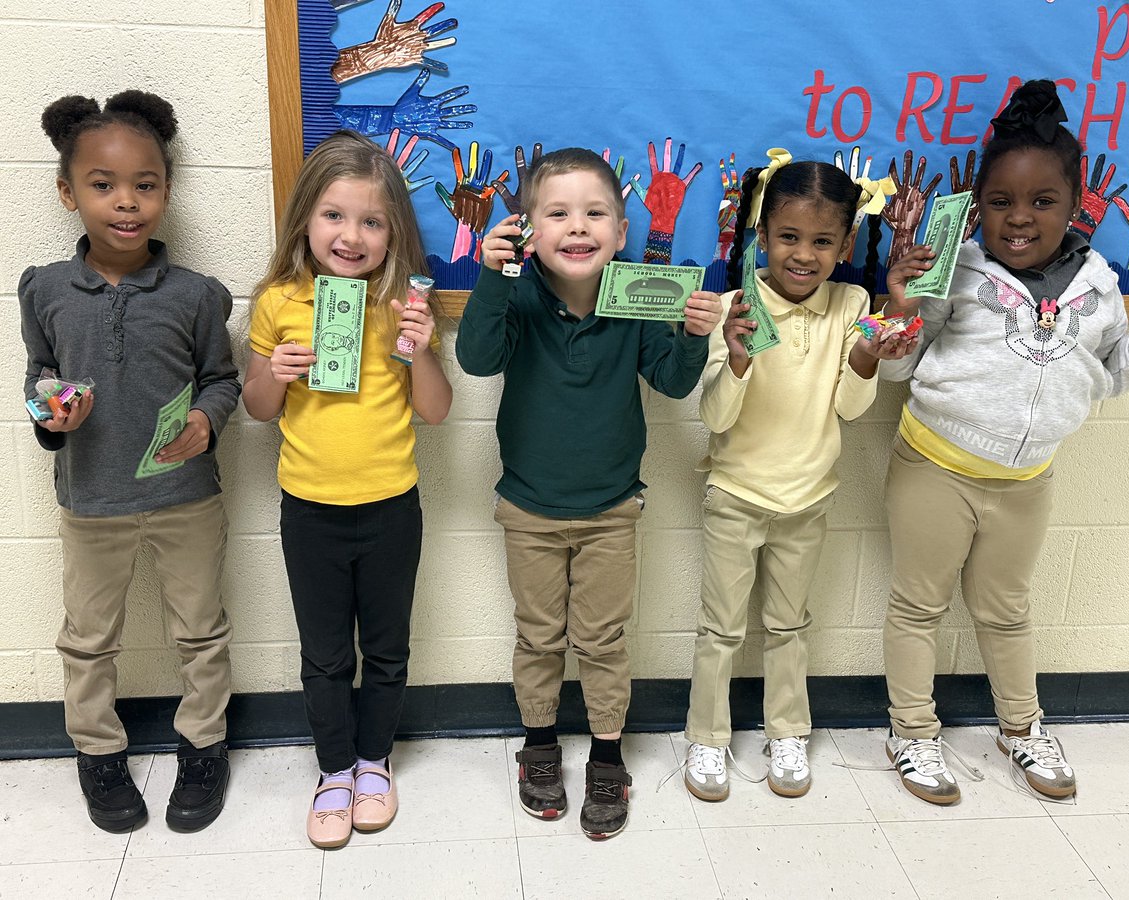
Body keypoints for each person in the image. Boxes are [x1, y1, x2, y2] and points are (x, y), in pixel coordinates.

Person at [879, 79, 1129, 804]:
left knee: (1007, 609)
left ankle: (1021, 727)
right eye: (1000, 202)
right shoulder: (952, 270)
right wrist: (900, 309)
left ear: (1076, 202)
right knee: (918, 605)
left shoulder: (1100, 287)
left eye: (1041, 201)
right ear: (980, 205)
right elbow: (900, 369)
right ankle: (911, 732)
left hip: (1027, 480)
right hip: (933, 467)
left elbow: (1111, 377)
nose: (1019, 219)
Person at [456, 147, 723, 839]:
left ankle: (608, 755)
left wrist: (692, 337)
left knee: (603, 641)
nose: (578, 226)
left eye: (595, 213)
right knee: (539, 637)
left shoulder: (638, 297)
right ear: (529, 228)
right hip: (528, 507)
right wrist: (490, 278)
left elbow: (670, 382)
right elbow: (478, 358)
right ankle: (539, 747)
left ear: (623, 229)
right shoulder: (514, 293)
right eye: (558, 213)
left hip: (611, 510)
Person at [19, 91, 240, 833]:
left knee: (201, 630)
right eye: (103, 184)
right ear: (67, 192)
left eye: (145, 185)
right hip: (90, 500)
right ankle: (97, 753)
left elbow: (222, 378)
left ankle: (204, 744)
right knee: (87, 639)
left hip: (186, 496)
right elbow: (37, 377)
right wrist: (48, 411)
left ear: (167, 192)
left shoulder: (197, 295)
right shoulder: (45, 289)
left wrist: (208, 421)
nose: (126, 202)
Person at [681, 155, 916, 802]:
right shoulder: (737, 305)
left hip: (809, 498)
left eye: (821, 241)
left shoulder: (855, 304)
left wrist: (866, 353)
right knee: (720, 628)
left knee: (790, 625)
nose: (803, 255)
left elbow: (850, 408)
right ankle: (706, 735)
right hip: (736, 496)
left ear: (844, 245)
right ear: (762, 237)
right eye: (788, 237)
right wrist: (735, 357)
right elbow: (716, 415)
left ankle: (788, 730)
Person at [242, 130, 452, 848]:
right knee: (325, 653)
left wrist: (421, 351)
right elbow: (257, 409)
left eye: (371, 221)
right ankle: (333, 770)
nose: (351, 236)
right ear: (305, 217)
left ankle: (373, 761)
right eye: (334, 215)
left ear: (393, 230)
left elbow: (436, 410)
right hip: (309, 507)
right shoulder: (278, 301)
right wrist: (276, 374)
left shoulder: (405, 306)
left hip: (393, 504)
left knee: (387, 648)